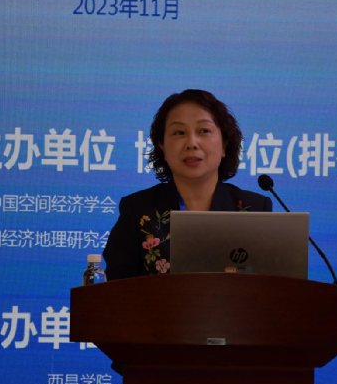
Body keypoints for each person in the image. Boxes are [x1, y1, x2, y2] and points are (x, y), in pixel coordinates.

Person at [103, 89, 272, 281]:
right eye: (179, 132)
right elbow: (115, 289)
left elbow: (270, 287)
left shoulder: (254, 210)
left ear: (224, 144)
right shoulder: (138, 211)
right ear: (162, 147)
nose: (192, 143)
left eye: (204, 131)